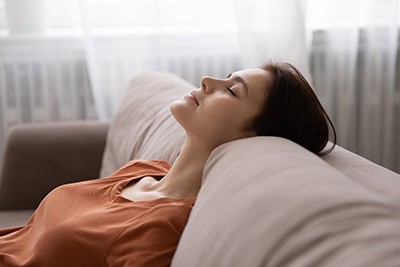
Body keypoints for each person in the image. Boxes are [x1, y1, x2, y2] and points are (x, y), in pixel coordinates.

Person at [0, 61, 336, 266]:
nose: (207, 80)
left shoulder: (163, 227)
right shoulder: (144, 169)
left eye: (232, 91)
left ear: (254, 138)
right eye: (226, 77)